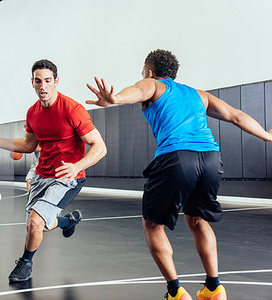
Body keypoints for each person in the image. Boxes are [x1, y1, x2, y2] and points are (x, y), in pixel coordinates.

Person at [86, 49, 272, 300]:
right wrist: (267, 135)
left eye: (143, 72)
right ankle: (214, 287)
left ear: (150, 71)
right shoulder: (198, 94)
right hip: (210, 158)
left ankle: (176, 292)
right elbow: (236, 116)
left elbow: (139, 91)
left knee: (153, 224)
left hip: (176, 157)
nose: (143, 76)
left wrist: (116, 99)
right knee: (197, 219)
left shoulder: (152, 83)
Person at [0, 59, 107, 283]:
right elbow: (28, 146)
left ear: (56, 82)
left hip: (67, 177)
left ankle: (25, 263)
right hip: (41, 175)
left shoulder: (73, 110)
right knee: (41, 226)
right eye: (38, 82)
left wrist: (77, 166)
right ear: (32, 83)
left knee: (36, 222)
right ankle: (68, 222)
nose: (43, 86)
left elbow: (100, 147)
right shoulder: (32, 113)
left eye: (48, 81)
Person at [23, 124, 41, 193]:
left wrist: (25, 148)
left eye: (25, 132)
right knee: (29, 179)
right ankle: (30, 197)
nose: (24, 134)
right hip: (37, 164)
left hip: (45, 164)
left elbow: (39, 148)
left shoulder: (39, 138)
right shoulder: (31, 141)